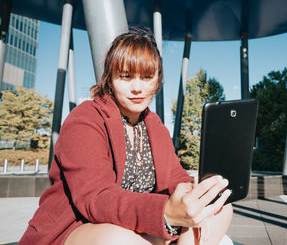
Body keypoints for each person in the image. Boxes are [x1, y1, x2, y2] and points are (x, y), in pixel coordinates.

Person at [20, 28, 233, 245]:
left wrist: (199, 202)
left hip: (142, 227)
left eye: (147, 77)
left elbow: (176, 178)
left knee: (222, 208)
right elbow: (96, 198)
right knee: (119, 240)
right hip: (79, 227)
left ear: (157, 80)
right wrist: (166, 213)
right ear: (110, 79)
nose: (137, 88)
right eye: (125, 76)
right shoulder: (85, 119)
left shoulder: (154, 125)